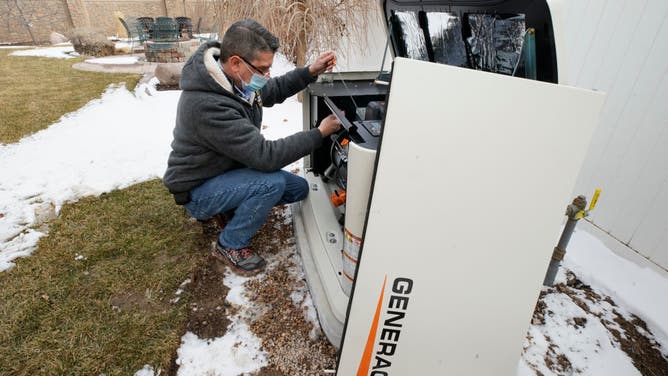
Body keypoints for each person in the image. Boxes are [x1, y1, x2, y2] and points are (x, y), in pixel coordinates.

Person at [163, 19, 341, 275]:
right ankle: (230, 244)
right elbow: (265, 157)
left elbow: (273, 90)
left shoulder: (236, 81)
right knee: (271, 183)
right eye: (262, 69)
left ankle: (230, 204)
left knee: (298, 189)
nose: (266, 76)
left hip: (224, 171)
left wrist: (310, 71)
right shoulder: (208, 104)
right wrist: (319, 133)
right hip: (197, 189)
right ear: (236, 62)